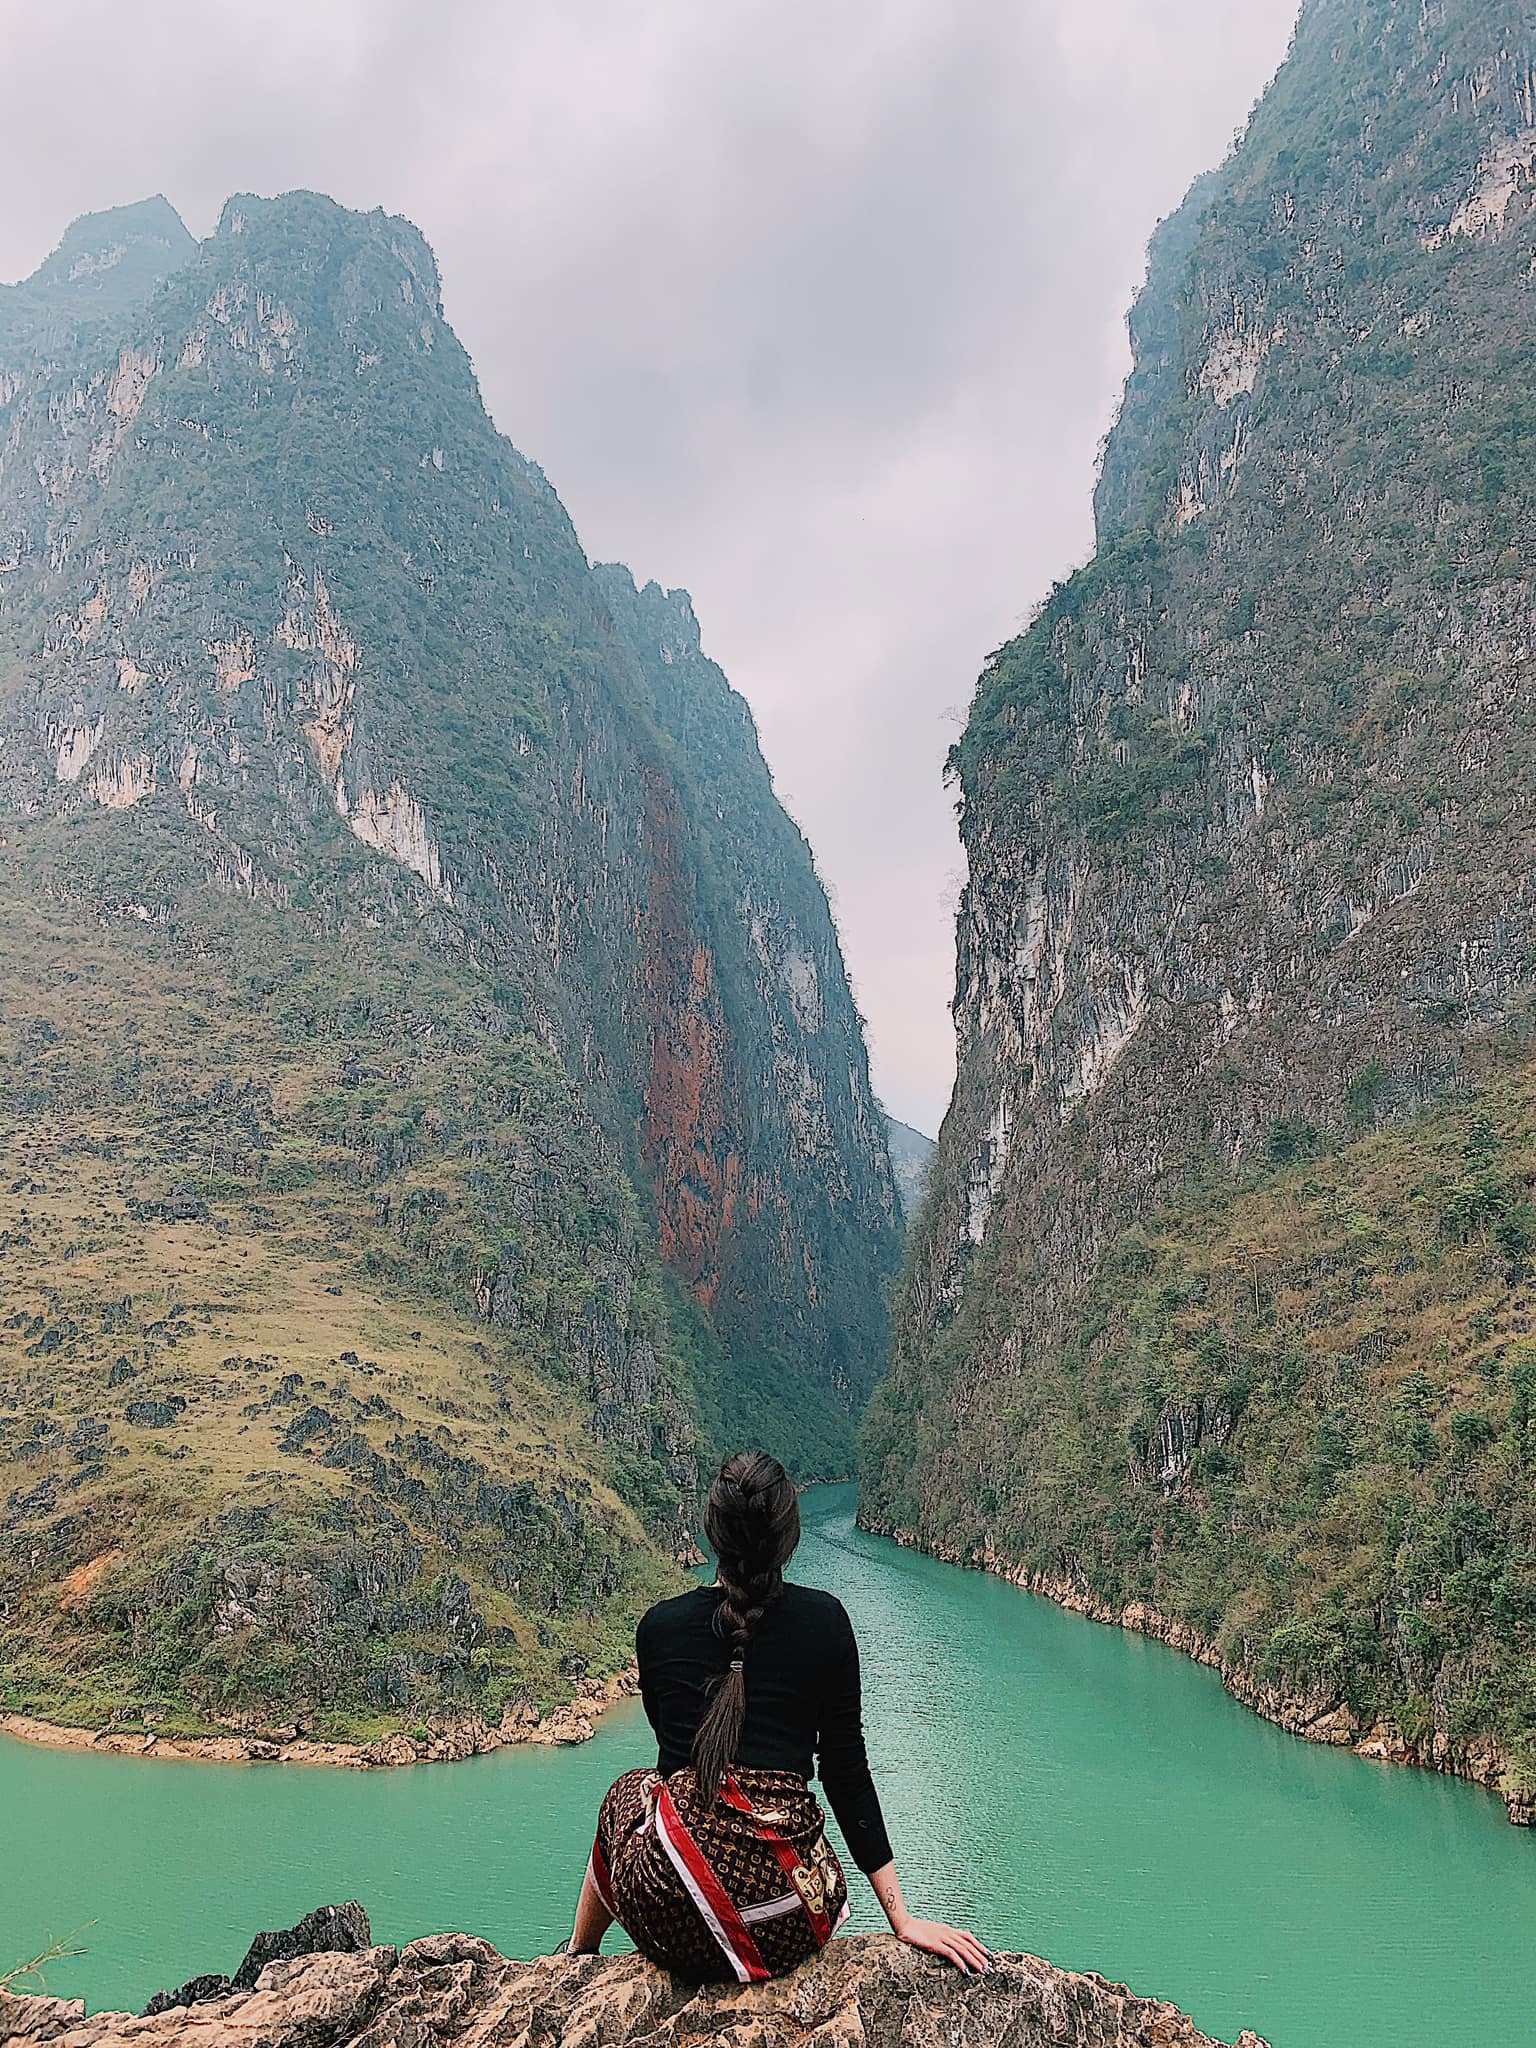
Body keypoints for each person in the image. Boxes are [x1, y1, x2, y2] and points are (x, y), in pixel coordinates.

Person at [565, 1448, 990, 1982]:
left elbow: (673, 1768)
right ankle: (589, 1948)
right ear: (790, 1535)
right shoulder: (827, 1623)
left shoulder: (659, 1629)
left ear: (711, 1532)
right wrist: (901, 1919)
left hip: (675, 1917)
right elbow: (845, 1773)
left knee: (629, 1791)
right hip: (792, 1919)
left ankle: (578, 1954)